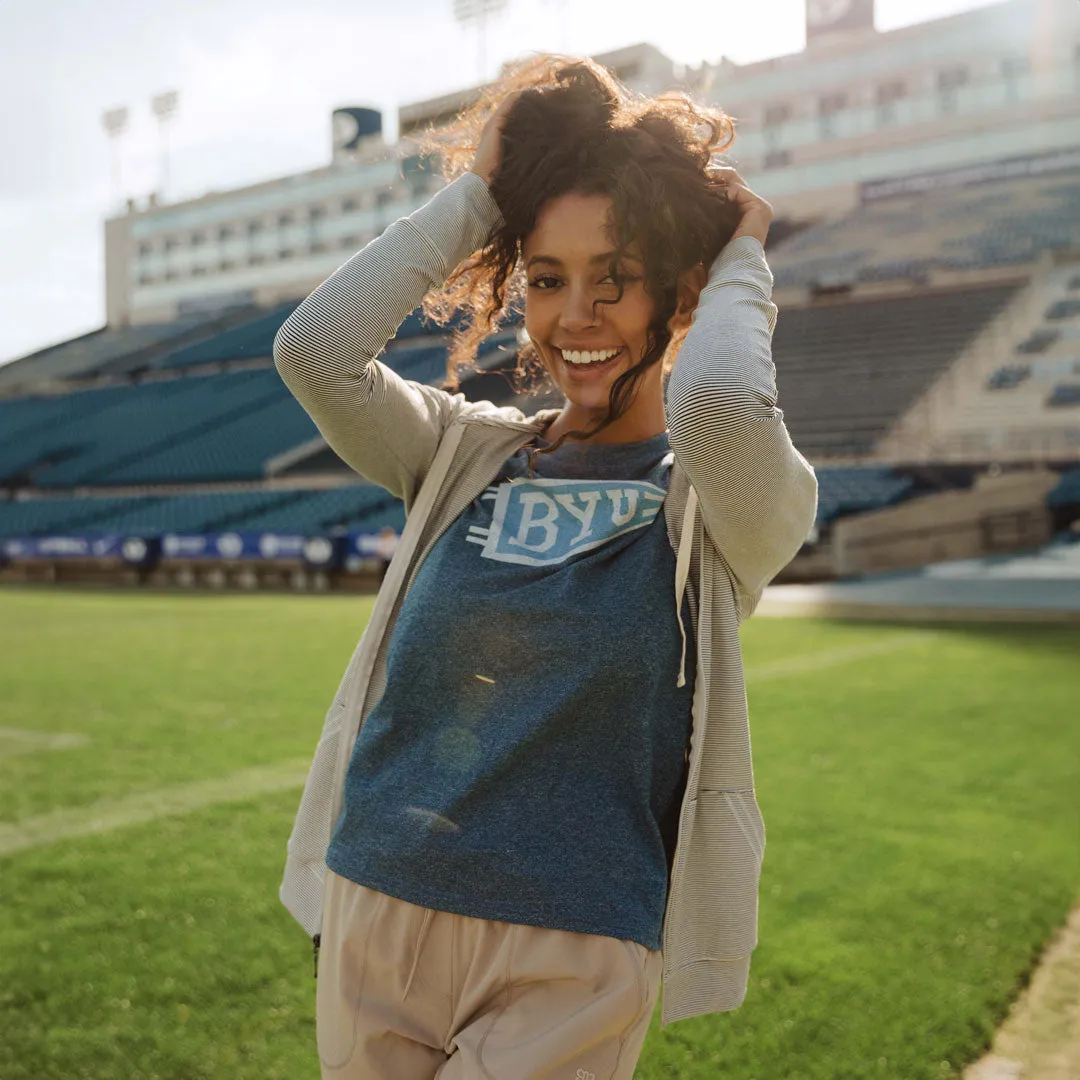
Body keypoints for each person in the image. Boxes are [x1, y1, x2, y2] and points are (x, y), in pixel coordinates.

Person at [273, 54, 818, 1080]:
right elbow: (315, 352)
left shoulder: (721, 499)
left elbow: (720, 405)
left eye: (615, 279)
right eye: (549, 279)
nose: (575, 319)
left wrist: (741, 256)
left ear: (679, 289)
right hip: (375, 896)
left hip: (572, 947)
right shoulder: (459, 450)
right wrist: (483, 193)